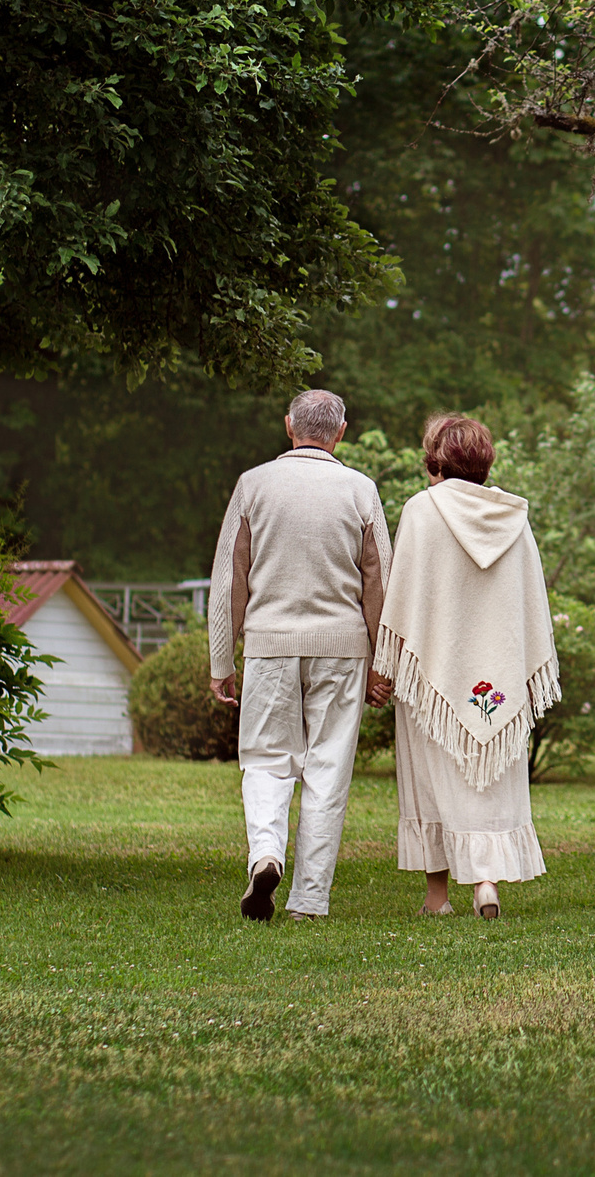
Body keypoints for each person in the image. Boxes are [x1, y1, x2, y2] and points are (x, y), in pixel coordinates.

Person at [207, 389, 394, 922]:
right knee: (327, 770)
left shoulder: (253, 485)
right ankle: (309, 900)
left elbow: (229, 581)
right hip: (343, 650)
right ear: (341, 432)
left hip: (269, 646)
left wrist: (223, 660)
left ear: (289, 426)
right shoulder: (361, 490)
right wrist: (386, 663)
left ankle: (266, 853)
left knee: (266, 760)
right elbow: (382, 581)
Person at [374, 413, 559, 919]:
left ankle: (438, 899)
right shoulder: (513, 519)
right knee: (491, 779)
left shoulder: (421, 512)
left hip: (434, 673)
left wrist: (388, 666)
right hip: (496, 681)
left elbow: (404, 599)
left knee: (432, 780)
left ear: (436, 458)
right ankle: (486, 883)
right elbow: (530, 606)